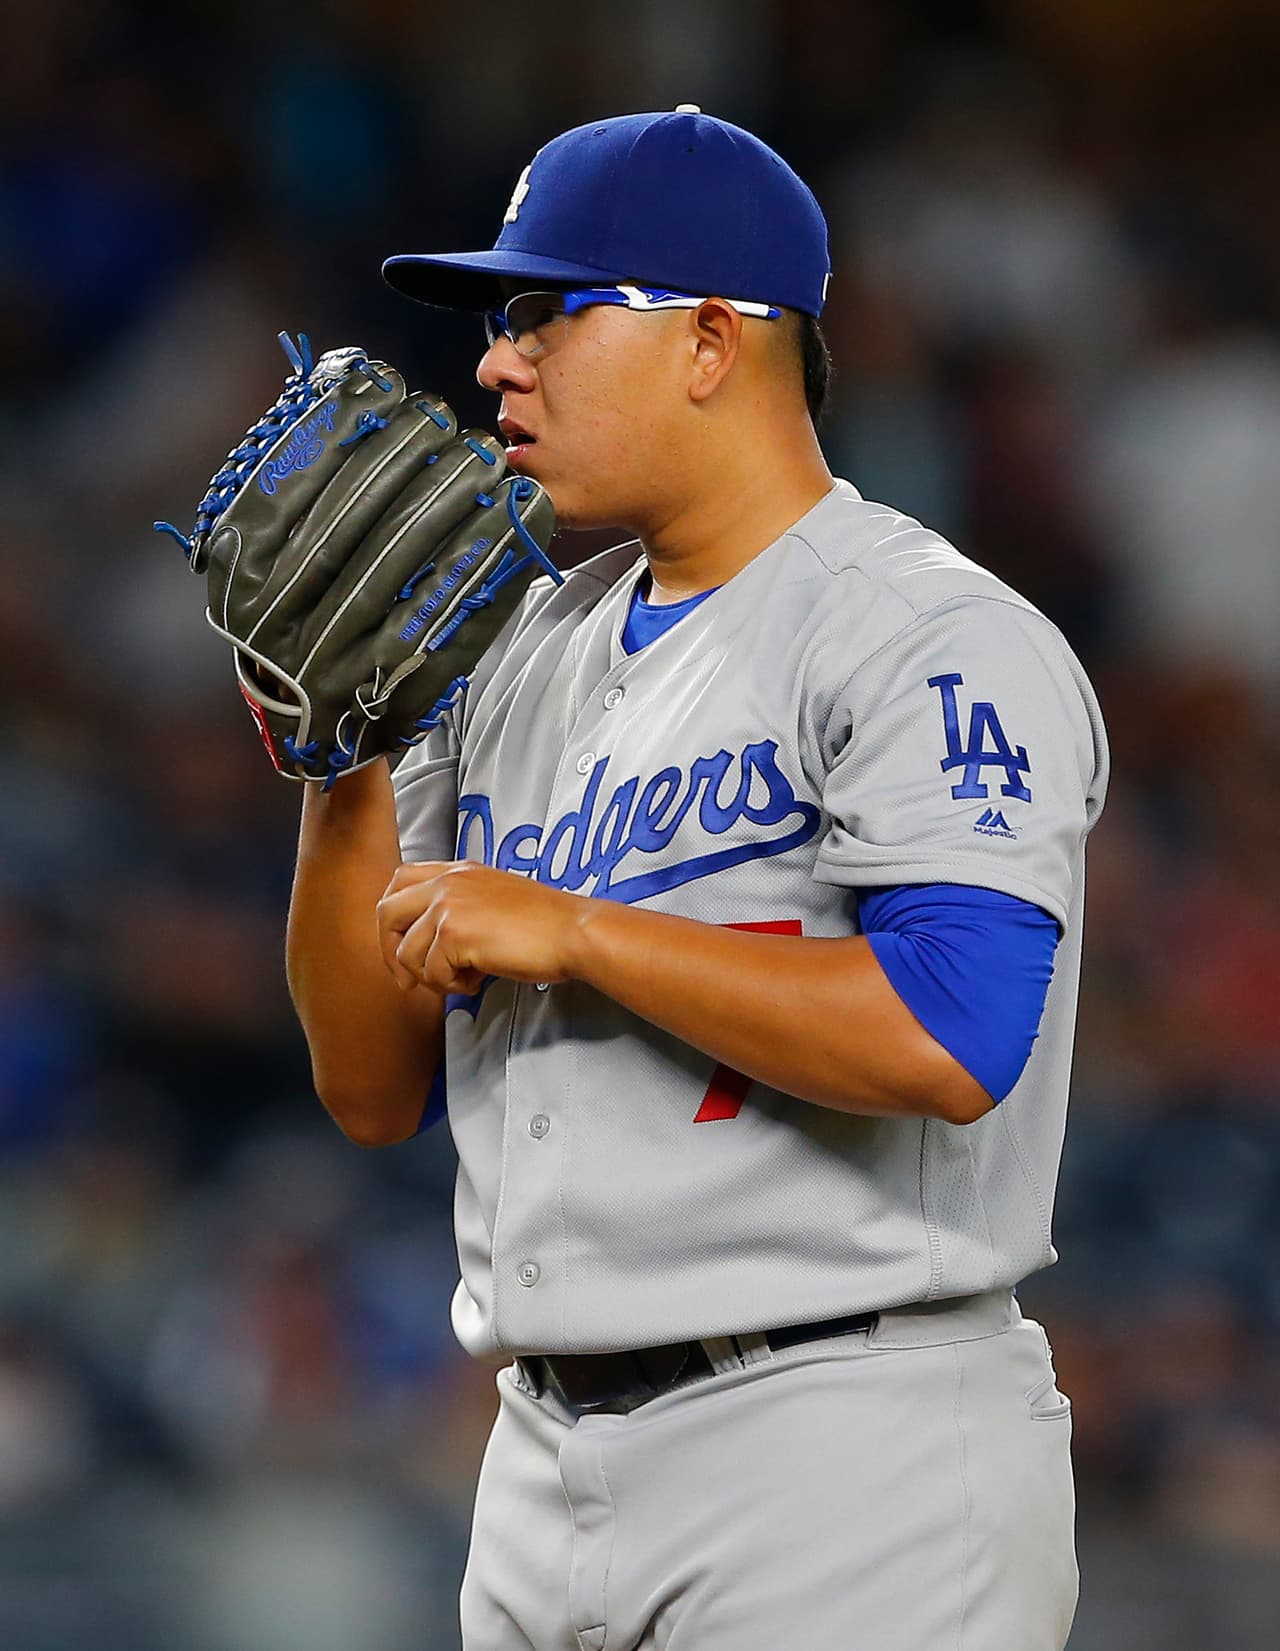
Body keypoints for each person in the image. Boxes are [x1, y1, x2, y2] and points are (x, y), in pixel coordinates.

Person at [287, 106, 1108, 1651]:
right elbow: (372, 1090)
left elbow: (953, 1032)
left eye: (545, 314)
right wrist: (343, 778)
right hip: (540, 1462)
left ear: (713, 339)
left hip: (846, 1446)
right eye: (498, 321)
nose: (495, 364)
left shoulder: (924, 634)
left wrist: (580, 932)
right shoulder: (514, 647)